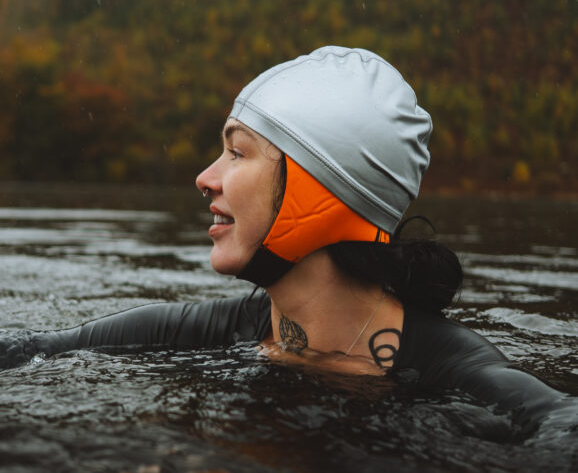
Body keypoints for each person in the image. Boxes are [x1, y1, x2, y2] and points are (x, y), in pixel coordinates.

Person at [1, 46, 574, 436]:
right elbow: (29, 351)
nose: (206, 177)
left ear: (319, 189)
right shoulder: (187, 334)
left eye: (237, 151)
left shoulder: (473, 382)